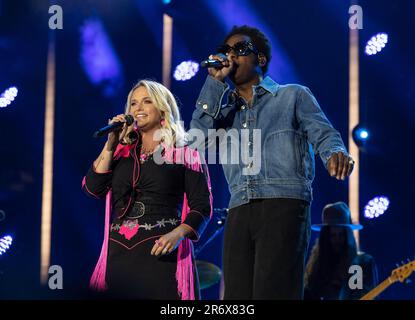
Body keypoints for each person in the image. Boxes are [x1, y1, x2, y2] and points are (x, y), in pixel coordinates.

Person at [190, 25, 355, 299]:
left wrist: (335, 152)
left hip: (283, 203)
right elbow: (196, 142)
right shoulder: (224, 111)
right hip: (240, 208)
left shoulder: (293, 95)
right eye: (226, 51)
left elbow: (324, 133)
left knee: (275, 292)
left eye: (240, 49)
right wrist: (214, 83)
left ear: (260, 60)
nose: (230, 56)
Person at [82, 80, 212, 300]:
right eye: (133, 103)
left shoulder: (184, 153)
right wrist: (111, 144)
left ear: (162, 109)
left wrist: (178, 234)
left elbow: (202, 206)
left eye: (146, 101)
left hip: (161, 253)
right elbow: (93, 189)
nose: (138, 108)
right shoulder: (120, 153)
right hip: (119, 253)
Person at [304, 202, 378, 300]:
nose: (337, 240)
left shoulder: (360, 264)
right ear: (325, 238)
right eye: (333, 235)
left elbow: (359, 295)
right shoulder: (318, 265)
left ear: (348, 236)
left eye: (341, 234)